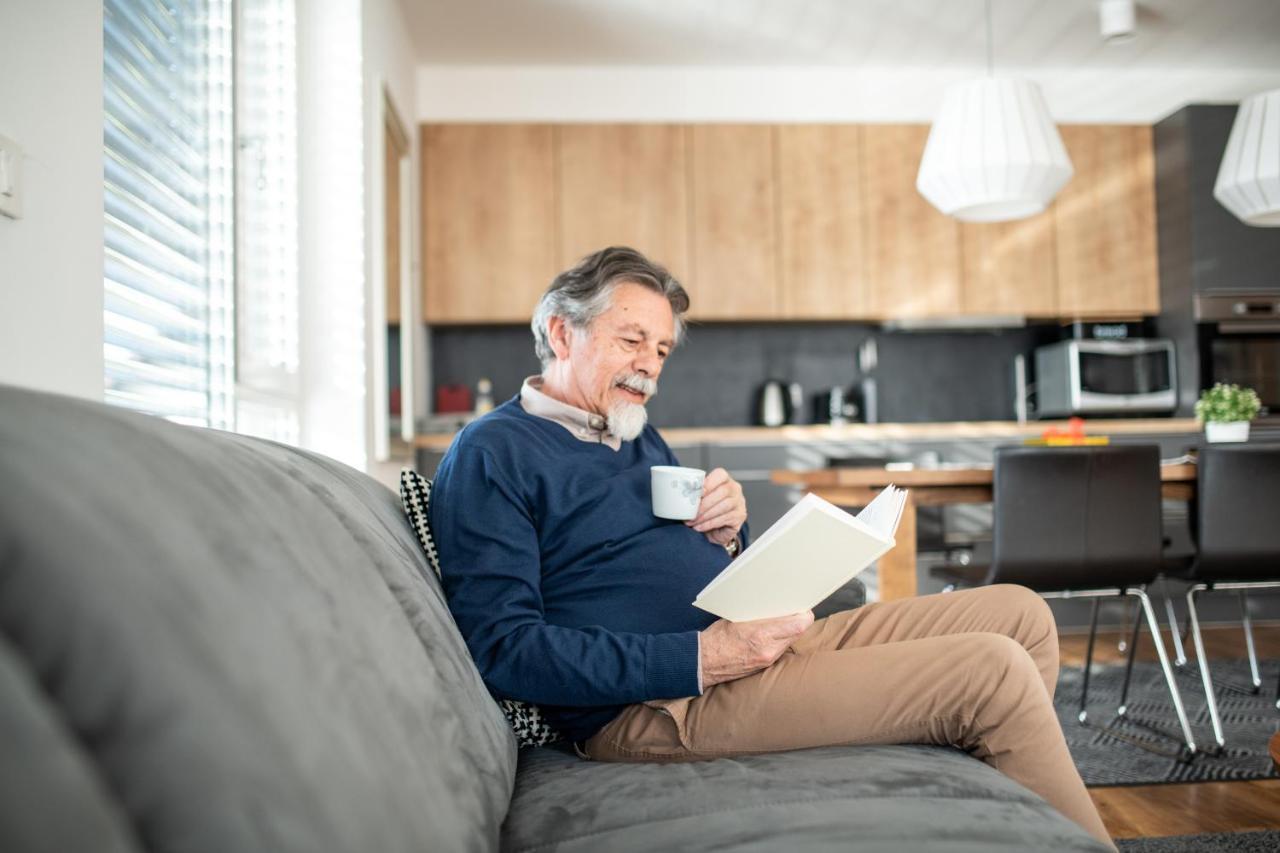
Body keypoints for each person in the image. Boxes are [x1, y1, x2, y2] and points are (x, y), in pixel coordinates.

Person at [429, 246, 1115, 848]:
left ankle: (1003, 822)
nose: (648, 367)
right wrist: (701, 657)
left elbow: (675, 557)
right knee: (990, 670)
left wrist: (732, 532)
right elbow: (505, 648)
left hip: (749, 643)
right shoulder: (492, 453)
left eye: (661, 350)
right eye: (632, 340)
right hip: (655, 704)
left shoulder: (634, 431)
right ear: (561, 332)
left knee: (1021, 616)